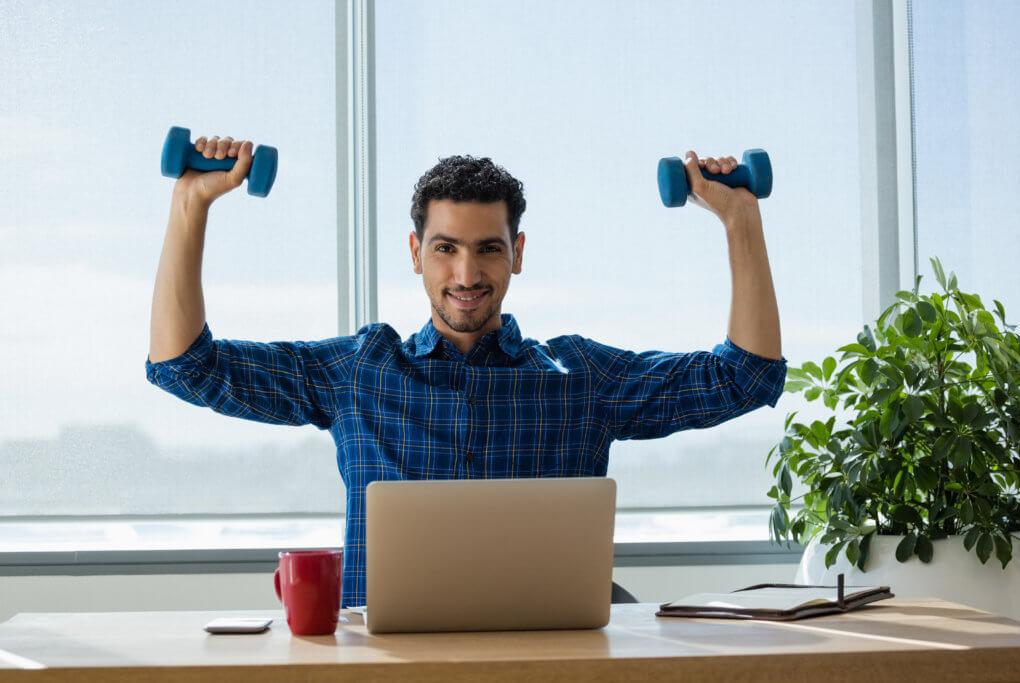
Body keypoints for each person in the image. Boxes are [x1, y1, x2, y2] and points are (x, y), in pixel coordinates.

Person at [146, 134, 787, 608]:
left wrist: (741, 219)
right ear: (416, 255)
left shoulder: (581, 377)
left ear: (517, 255)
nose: (466, 274)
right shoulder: (359, 371)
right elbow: (185, 367)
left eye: (488, 249)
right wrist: (191, 202)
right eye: (446, 249)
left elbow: (745, 377)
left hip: (551, 664)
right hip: (388, 667)